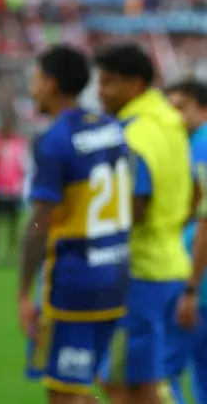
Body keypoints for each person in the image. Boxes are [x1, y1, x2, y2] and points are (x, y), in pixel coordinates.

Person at [16, 45, 131, 404]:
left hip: (74, 283)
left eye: (34, 80)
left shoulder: (55, 140)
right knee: (88, 384)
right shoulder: (113, 128)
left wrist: (22, 291)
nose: (31, 89)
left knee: (63, 391)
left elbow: (41, 220)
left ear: (51, 84)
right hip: (115, 276)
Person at [95, 43, 191, 404]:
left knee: (121, 387)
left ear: (135, 84)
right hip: (171, 265)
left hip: (138, 270)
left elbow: (135, 206)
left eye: (108, 83)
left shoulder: (134, 133)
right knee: (151, 384)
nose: (101, 92)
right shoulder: (170, 121)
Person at [164, 79, 207, 404]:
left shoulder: (200, 148)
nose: (174, 116)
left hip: (196, 285)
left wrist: (191, 287)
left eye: (181, 107)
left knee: (161, 377)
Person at [0, 115, 28, 263]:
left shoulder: (19, 144)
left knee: (13, 224)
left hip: (13, 190)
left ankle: (12, 251)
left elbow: (24, 167)